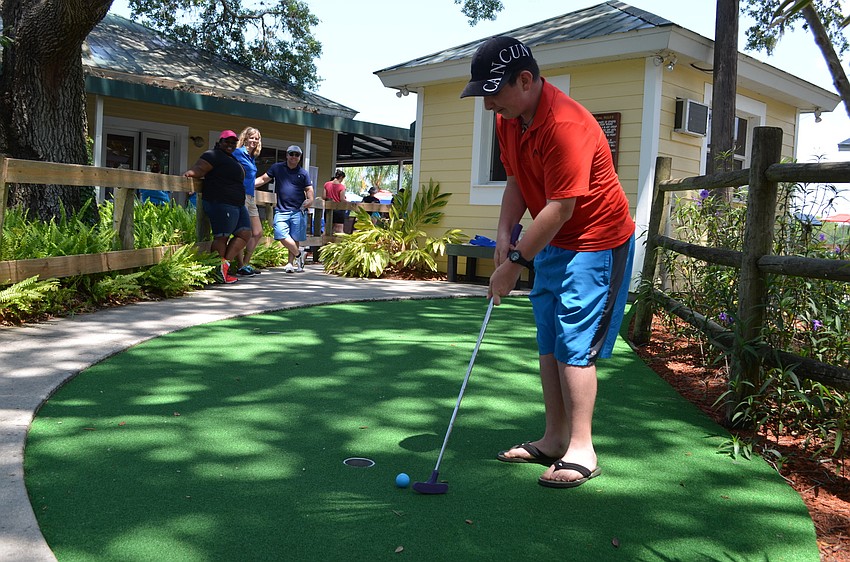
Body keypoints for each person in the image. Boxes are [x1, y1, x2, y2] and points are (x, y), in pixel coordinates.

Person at [461, 36, 635, 488]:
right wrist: (504, 235)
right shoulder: (511, 118)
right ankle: (555, 438)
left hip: (596, 242)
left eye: (492, 93)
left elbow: (561, 207)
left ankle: (583, 448)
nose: (487, 105)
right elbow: (518, 178)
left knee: (575, 341)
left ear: (525, 80)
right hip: (553, 240)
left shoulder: (567, 125)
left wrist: (516, 261)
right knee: (549, 338)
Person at [183, 130, 251, 284]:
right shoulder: (212, 155)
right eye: (227, 141)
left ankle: (223, 265)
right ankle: (217, 271)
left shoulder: (231, 158)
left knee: (245, 233)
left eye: (233, 142)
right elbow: (199, 169)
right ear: (219, 141)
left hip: (237, 203)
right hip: (221, 201)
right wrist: (189, 175)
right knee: (222, 236)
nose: (230, 144)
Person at [255, 144, 313, 273]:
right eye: (291, 154)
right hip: (281, 210)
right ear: (287, 155)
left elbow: (309, 189)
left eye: (296, 155)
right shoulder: (277, 168)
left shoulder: (303, 173)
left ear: (300, 157)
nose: (293, 157)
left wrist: (310, 199)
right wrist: (248, 185)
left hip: (298, 210)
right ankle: (299, 254)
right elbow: (264, 179)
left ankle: (290, 264)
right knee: (281, 234)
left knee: (294, 237)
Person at [232, 127, 264, 275]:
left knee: (257, 232)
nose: (254, 141)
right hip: (240, 195)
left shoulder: (251, 157)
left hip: (251, 197)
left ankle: (245, 264)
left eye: (257, 138)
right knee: (242, 231)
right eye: (252, 137)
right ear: (245, 138)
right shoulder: (238, 153)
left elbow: (251, 179)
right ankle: (240, 266)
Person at [323, 169, 348, 234]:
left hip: (328, 208)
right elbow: (342, 199)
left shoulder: (326, 184)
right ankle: (338, 243)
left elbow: (324, 197)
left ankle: (324, 243)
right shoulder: (341, 187)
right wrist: (348, 203)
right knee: (339, 229)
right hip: (339, 210)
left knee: (327, 229)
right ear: (341, 177)